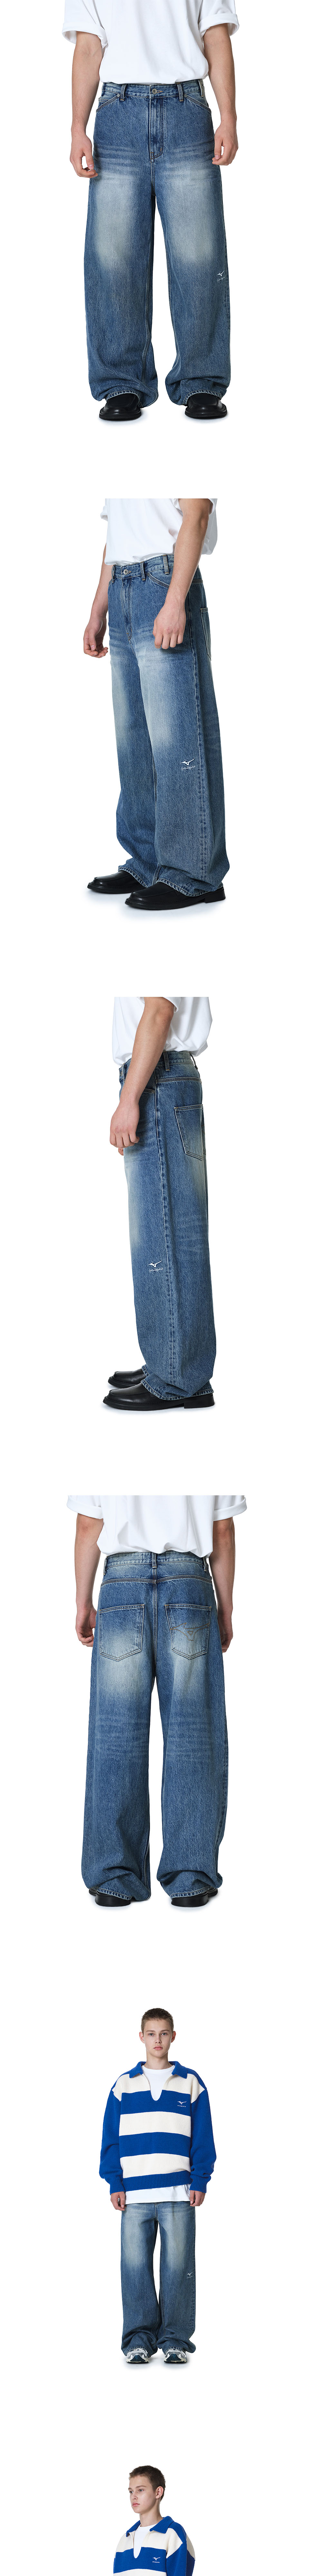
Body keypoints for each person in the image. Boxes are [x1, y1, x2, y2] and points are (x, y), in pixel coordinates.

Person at [67, 1490, 247, 1903]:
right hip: (189, 1585)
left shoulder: (100, 1457)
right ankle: (190, 1877)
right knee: (193, 1735)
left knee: (116, 1735)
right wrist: (226, 1608)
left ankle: (113, 1876)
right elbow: (222, 1529)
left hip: (121, 1586)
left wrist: (82, 1601)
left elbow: (88, 1523)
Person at [63, 3, 239, 423]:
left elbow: (215, 35)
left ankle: (201, 381)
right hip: (117, 111)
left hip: (187, 109)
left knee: (199, 257)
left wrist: (229, 116)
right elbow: (88, 46)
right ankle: (121, 383)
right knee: (114, 258)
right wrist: (77, 128)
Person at [84, 498, 228, 910]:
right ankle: (147, 862)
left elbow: (197, 514)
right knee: (134, 740)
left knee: (177, 737)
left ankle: (193, 874)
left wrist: (175, 600)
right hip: (123, 586)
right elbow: (118, 537)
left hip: (165, 583)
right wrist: (98, 611)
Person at [107, 996, 216, 1411]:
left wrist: (129, 1098)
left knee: (163, 1236)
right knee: (168, 1233)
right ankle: (174, 1361)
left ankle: (176, 1377)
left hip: (157, 1078)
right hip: (161, 1076)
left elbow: (159, 1010)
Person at [100, 2005, 216, 2361]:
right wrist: (114, 2182)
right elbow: (110, 2139)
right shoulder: (124, 2085)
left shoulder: (191, 2083)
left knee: (178, 2269)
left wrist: (201, 2179)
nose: (158, 2040)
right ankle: (139, 2339)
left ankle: (175, 2341)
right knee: (135, 2269)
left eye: (164, 2033)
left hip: (179, 2193)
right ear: (141, 2037)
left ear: (173, 2036)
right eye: (151, 2034)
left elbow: (203, 2137)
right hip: (134, 2194)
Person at [114, 2469, 195, 2576]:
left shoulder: (173, 2534)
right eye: (131, 2492)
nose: (134, 2497)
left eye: (140, 2490)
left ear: (158, 2493)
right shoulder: (125, 2540)